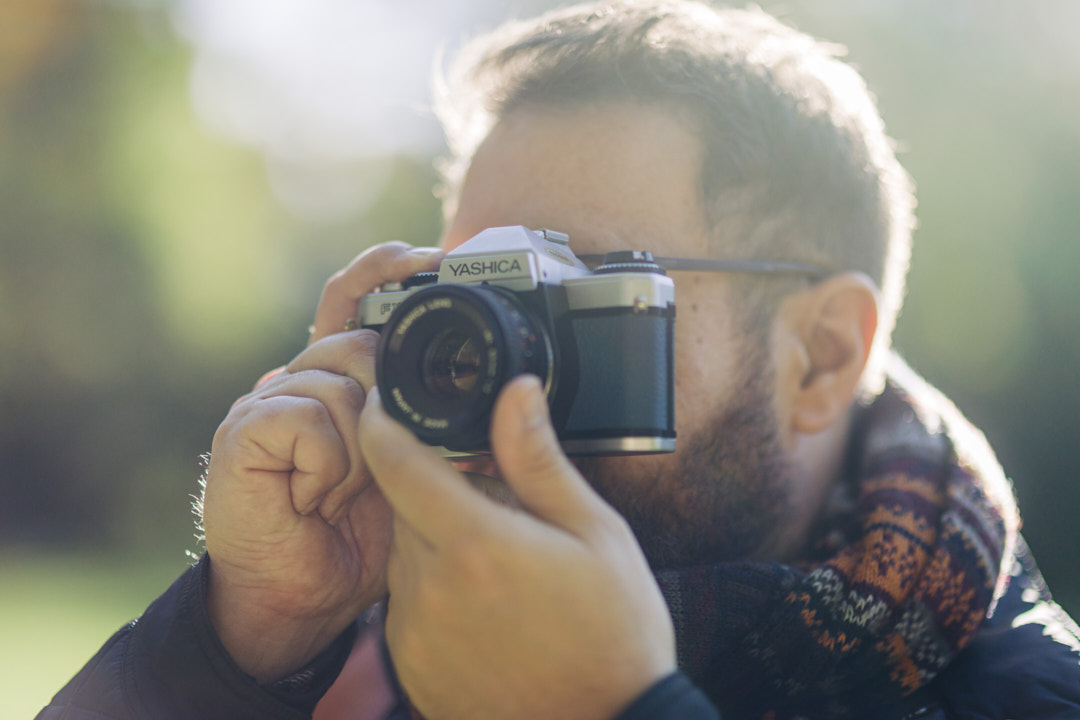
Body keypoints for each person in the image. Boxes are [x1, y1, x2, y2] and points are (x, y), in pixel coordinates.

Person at [39, 1, 1080, 718]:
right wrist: (240, 636)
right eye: (473, 304)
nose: (494, 380)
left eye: (573, 299)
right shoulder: (366, 663)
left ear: (818, 357)